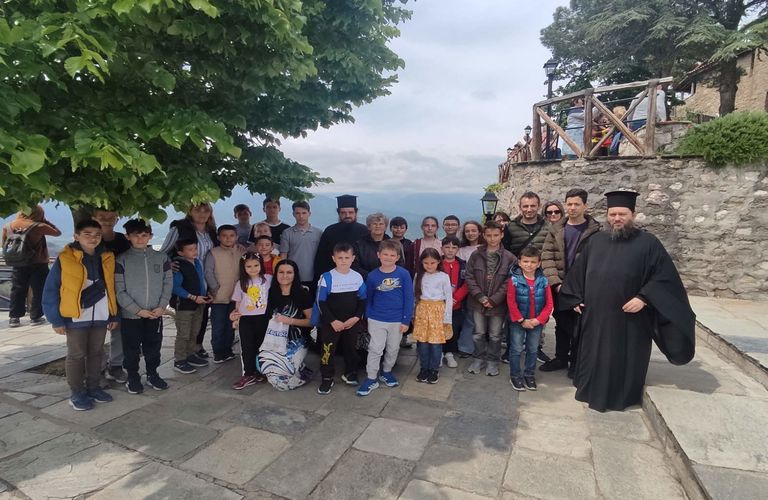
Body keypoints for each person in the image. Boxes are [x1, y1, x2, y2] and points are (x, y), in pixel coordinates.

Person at [560, 190, 695, 412]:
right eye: (612, 214)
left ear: (633, 214)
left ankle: (621, 397)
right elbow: (578, 272)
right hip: (596, 316)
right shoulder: (596, 241)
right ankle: (589, 390)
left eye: (622, 214)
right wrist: (574, 297)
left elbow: (664, 278)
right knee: (594, 355)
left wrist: (644, 297)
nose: (617, 218)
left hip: (630, 319)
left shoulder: (649, 243)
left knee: (623, 358)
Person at [42, 220, 118, 411]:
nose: (93, 238)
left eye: (97, 235)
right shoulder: (65, 258)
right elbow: (51, 289)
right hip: (75, 316)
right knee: (76, 355)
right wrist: (55, 319)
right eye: (87, 234)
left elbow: (112, 288)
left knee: (96, 353)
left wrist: (113, 315)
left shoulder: (107, 257)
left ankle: (93, 387)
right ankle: (77, 392)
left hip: (101, 314)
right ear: (76, 236)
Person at [540, 189, 601, 377]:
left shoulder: (595, 232)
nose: (572, 208)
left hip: (582, 288)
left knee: (580, 326)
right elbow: (547, 257)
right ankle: (560, 357)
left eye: (577, 204)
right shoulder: (556, 229)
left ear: (585, 206)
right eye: (569, 204)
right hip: (560, 286)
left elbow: (597, 261)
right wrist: (556, 283)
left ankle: (576, 362)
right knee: (561, 323)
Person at [114, 219, 173, 394]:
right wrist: (137, 310)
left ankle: (152, 374)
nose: (140, 239)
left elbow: (168, 283)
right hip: (131, 315)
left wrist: (162, 306)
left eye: (144, 235)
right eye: (136, 235)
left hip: (155, 313)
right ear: (128, 237)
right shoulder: (121, 260)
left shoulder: (161, 258)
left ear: (150, 236)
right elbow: (119, 290)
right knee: (131, 348)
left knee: (153, 346)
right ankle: (133, 376)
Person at [160, 203, 218, 359]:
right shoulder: (179, 228)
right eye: (197, 210)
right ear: (190, 211)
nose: (202, 213)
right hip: (186, 277)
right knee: (187, 317)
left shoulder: (211, 231)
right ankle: (182, 355)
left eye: (206, 210)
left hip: (205, 277)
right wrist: (168, 264)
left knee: (202, 314)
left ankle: (196, 346)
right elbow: (164, 251)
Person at [358, 239, 414, 396]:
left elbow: (409, 298)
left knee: (393, 348)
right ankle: (371, 377)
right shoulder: (372, 276)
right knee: (375, 348)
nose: (388, 257)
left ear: (398, 257)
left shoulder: (403, 274)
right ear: (378, 255)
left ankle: (387, 371)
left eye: (392, 255)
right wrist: (368, 316)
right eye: (385, 254)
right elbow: (369, 298)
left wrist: (406, 320)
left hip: (397, 320)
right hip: (376, 319)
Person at [465, 221, 517, 376]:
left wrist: (494, 299)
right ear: (484, 236)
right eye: (489, 235)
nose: (492, 239)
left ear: (501, 235)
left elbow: (510, 281)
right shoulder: (476, 255)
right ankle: (478, 358)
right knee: (478, 333)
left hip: (498, 304)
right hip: (478, 302)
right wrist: (480, 296)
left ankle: (493, 361)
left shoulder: (510, 258)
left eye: (496, 235)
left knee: (495, 334)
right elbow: (469, 276)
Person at [316, 243, 367, 394]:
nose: (343, 261)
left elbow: (363, 299)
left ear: (353, 258)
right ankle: (326, 377)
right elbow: (320, 302)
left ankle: (350, 372)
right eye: (340, 258)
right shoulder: (327, 277)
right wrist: (332, 321)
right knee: (328, 350)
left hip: (351, 322)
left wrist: (356, 317)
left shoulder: (357, 277)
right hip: (331, 323)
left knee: (351, 348)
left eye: (347, 257)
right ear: (334, 258)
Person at [2, 205, 61, 328]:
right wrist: (44, 220)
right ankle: (35, 317)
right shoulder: (39, 226)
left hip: (18, 262)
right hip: (38, 262)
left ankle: (14, 318)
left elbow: (4, 244)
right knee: (38, 290)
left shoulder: (8, 226)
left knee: (17, 289)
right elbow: (57, 233)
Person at [259, 260, 314, 391]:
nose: (285, 275)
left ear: (295, 275)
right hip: (272, 338)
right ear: (276, 274)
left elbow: (312, 321)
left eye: (289, 272)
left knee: (284, 378)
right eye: (281, 272)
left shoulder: (303, 294)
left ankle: (299, 366)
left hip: (295, 341)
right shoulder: (268, 293)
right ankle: (298, 367)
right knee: (270, 369)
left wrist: (290, 321)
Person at [507, 246, 553, 391]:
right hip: (518, 322)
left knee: (533, 349)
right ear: (519, 262)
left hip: (536, 322)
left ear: (539, 263)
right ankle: (515, 376)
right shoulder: (514, 280)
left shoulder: (544, 281)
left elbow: (549, 304)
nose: (529, 265)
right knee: (516, 349)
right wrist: (521, 320)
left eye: (533, 262)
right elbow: (511, 302)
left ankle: (529, 375)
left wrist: (538, 320)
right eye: (526, 261)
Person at [92, 209, 130, 383]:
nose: (107, 220)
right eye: (102, 217)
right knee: (95, 332)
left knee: (119, 330)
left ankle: (115, 366)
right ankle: (96, 368)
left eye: (111, 217)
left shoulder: (122, 240)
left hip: (118, 290)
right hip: (95, 292)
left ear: (117, 219)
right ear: (94, 218)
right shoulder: (91, 240)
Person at [229, 252, 271, 389]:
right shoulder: (240, 283)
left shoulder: (268, 279)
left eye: (256, 265)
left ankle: (261, 371)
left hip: (264, 318)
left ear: (261, 265)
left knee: (262, 346)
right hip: (246, 319)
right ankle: (248, 374)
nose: (253, 269)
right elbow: (238, 303)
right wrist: (236, 317)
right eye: (249, 266)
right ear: (243, 267)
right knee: (247, 347)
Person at [171, 239, 211, 374]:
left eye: (195, 248)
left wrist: (206, 294)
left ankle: (190, 354)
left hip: (199, 303)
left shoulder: (197, 262)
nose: (194, 251)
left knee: (195, 331)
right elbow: (175, 287)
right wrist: (193, 297)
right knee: (184, 333)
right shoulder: (178, 266)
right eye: (190, 249)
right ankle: (179, 360)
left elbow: (201, 281)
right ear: (181, 253)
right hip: (184, 305)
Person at [413, 248, 453, 384]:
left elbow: (448, 297)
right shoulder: (419, 275)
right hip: (422, 311)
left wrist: (447, 318)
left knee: (435, 343)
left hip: (438, 311)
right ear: (421, 263)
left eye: (432, 263)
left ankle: (434, 369)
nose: (429, 266)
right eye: (426, 263)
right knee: (422, 343)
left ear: (438, 262)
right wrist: (413, 314)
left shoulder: (443, 276)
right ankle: (424, 368)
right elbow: (414, 296)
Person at [205, 224, 244, 364]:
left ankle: (228, 350)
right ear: (218, 237)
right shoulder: (213, 253)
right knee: (218, 325)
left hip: (236, 297)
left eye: (232, 235)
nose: (228, 238)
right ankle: (218, 352)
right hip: (219, 297)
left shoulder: (241, 251)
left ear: (236, 237)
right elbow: (208, 272)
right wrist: (215, 288)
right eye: (224, 236)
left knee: (231, 325)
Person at [314, 195, 369, 278]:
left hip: (360, 276)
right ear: (338, 213)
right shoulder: (330, 231)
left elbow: (368, 256)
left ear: (356, 212)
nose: (347, 215)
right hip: (334, 277)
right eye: (343, 213)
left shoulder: (364, 231)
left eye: (350, 212)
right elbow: (321, 258)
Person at [279, 201, 322, 293]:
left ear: (309, 214)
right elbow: (283, 256)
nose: (301, 216)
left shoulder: (319, 233)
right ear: (293, 214)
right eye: (298, 213)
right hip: (293, 276)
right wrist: (283, 274)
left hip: (314, 276)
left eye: (304, 213)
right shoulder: (287, 233)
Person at [456, 220, 484, 356]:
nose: (470, 233)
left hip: (480, 287)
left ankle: (473, 347)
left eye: (473, 230)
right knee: (467, 318)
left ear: (479, 232)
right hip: (463, 287)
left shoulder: (484, 248)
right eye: (467, 231)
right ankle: (464, 346)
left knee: (475, 319)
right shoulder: (460, 250)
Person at [440, 236, 468, 368]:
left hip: (456, 305)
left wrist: (455, 298)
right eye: (447, 247)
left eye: (454, 247)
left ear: (458, 249)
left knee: (453, 329)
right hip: (439, 304)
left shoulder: (463, 265)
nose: (450, 250)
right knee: (439, 328)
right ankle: (439, 352)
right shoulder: (437, 263)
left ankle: (449, 352)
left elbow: (467, 283)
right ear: (442, 248)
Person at [504, 192, 549, 257]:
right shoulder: (510, 227)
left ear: (539, 206)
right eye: (525, 206)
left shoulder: (548, 226)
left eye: (533, 206)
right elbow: (505, 251)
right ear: (520, 207)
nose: (529, 210)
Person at [352, 212, 395, 278]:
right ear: (369, 227)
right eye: (374, 224)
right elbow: (354, 265)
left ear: (385, 227)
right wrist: (371, 276)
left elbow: (399, 263)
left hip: (389, 279)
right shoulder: (358, 245)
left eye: (381, 224)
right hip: (366, 279)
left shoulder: (393, 244)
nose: (378, 226)